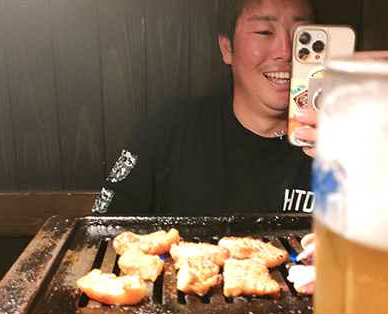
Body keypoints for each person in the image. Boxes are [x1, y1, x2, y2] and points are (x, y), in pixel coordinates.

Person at [92, 0, 319, 216]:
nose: (286, 51)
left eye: (302, 35)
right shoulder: (172, 129)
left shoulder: (333, 143)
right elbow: (102, 225)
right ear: (227, 47)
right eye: (264, 32)